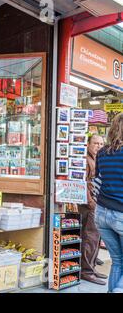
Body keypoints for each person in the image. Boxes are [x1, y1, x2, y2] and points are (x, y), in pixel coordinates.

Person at [94, 112, 123, 293]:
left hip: (101, 213)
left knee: (118, 261)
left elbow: (97, 181)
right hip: (120, 214)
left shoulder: (102, 152)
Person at [79, 134, 107, 285]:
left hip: (96, 203)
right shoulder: (85, 160)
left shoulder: (98, 159)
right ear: (88, 144)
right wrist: (91, 202)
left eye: (101, 144)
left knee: (95, 237)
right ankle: (86, 271)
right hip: (89, 205)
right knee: (90, 238)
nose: (98, 146)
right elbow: (82, 182)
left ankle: (91, 267)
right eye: (95, 143)